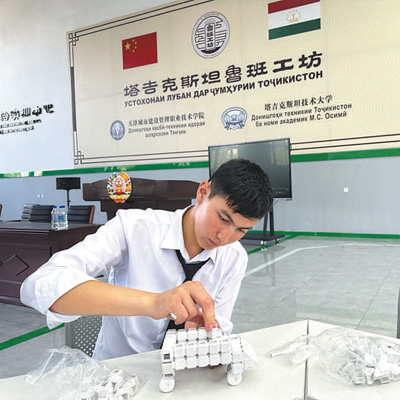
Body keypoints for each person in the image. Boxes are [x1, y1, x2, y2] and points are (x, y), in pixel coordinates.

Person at [20, 159, 273, 360]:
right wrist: (152, 302)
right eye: (223, 218)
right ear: (203, 192)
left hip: (184, 379)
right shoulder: (134, 228)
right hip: (117, 373)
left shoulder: (234, 258)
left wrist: (208, 341)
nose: (225, 237)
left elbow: (219, 330)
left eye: (241, 230)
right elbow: (40, 284)